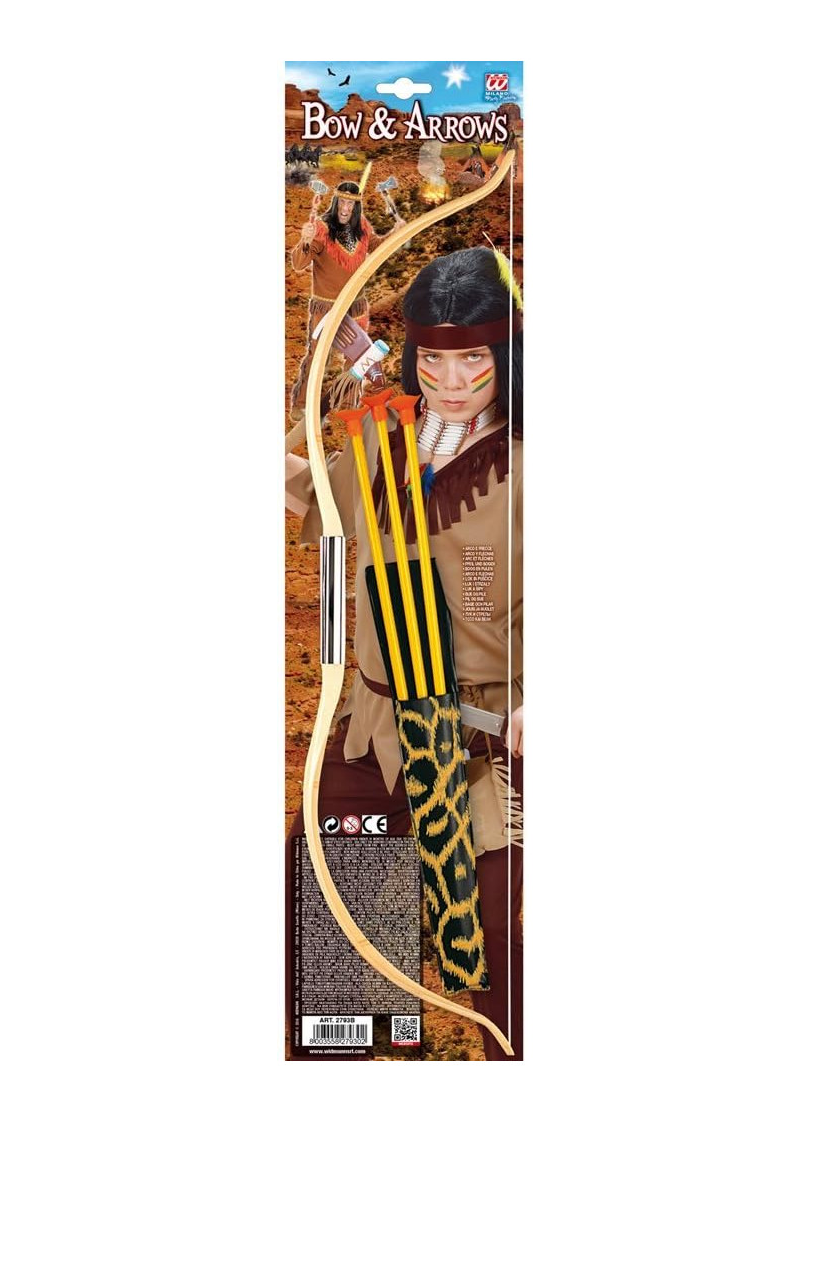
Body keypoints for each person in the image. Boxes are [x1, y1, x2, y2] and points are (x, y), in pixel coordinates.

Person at [286, 246, 523, 1060]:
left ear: (506, 357)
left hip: (491, 754)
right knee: (342, 964)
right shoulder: (381, 446)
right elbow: (301, 484)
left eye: (474, 360)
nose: (452, 382)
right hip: (374, 735)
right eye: (434, 360)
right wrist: (323, 360)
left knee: (507, 965)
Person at [289, 179, 394, 419]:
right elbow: (298, 264)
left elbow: (377, 246)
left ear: (356, 207)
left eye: (350, 204)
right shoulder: (322, 228)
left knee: (357, 357)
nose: (345, 208)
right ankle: (302, 403)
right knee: (317, 355)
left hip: (355, 305)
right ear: (336, 202)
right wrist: (305, 240)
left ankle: (347, 404)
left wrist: (395, 234)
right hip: (326, 307)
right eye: (342, 202)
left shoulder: (362, 227)